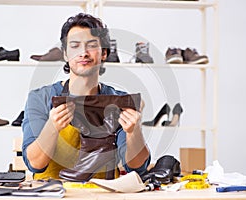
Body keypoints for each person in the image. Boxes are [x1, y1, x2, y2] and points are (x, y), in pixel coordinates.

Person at [22, 13, 150, 180]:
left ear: (104, 53)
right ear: (66, 55)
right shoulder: (42, 98)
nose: (83, 53)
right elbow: (35, 164)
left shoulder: (119, 101)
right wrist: (52, 126)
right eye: (75, 46)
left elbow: (137, 166)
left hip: (103, 194)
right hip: (53, 194)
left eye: (91, 45)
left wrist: (134, 131)